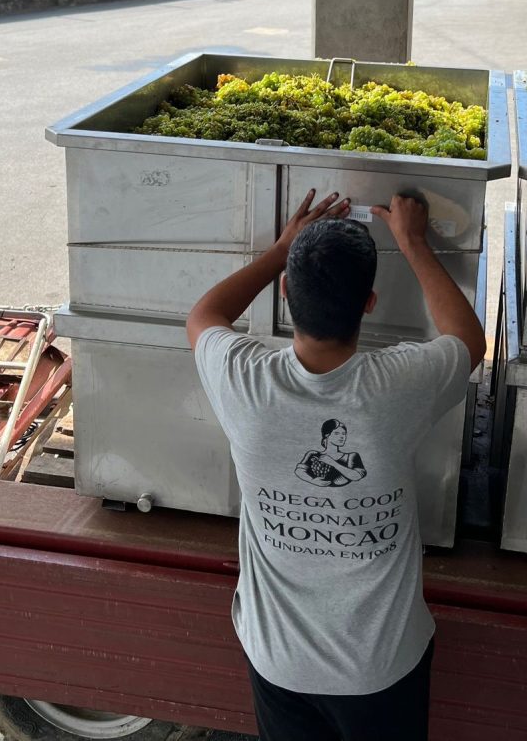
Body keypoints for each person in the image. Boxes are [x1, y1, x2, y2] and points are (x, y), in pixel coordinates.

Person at [187, 189, 486, 741]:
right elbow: (467, 338)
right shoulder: (395, 387)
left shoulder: (244, 381)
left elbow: (205, 316)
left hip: (278, 661)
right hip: (383, 666)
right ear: (369, 304)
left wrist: (281, 250)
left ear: (284, 294)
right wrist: (414, 243)